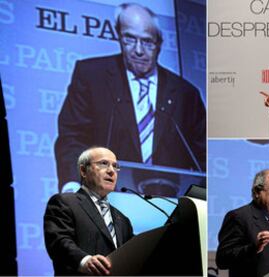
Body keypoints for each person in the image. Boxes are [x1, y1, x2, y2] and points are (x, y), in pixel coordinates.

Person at [55, 3, 206, 192]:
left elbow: (203, 156)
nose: (139, 50)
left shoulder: (186, 94)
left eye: (147, 41)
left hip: (170, 205)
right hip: (103, 199)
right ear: (119, 37)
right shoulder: (92, 76)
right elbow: (72, 138)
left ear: (159, 44)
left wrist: (200, 199)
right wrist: (72, 185)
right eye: (129, 39)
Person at [44, 147, 134, 275]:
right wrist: (84, 261)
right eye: (104, 164)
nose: (111, 171)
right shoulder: (64, 202)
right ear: (83, 171)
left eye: (115, 166)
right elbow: (58, 241)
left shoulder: (122, 219)